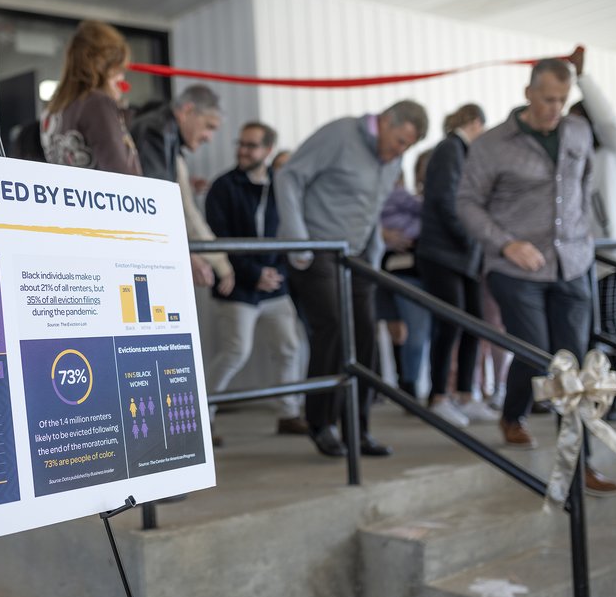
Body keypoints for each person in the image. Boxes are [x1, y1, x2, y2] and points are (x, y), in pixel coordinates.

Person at [457, 57, 616, 496]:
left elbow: (583, 188)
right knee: (538, 353)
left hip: (573, 264)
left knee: (574, 365)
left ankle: (579, 465)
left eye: (562, 100)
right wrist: (506, 243)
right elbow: (467, 203)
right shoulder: (492, 144)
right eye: (548, 99)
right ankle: (514, 415)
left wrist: (583, 238)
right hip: (515, 268)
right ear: (528, 93)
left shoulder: (579, 131)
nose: (555, 108)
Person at [276, 100, 429, 457]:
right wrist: (297, 239)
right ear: (386, 121)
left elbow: (373, 210)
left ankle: (357, 430)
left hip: (357, 255)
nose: (401, 151)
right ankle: (322, 423)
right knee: (332, 326)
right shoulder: (341, 135)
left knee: (364, 335)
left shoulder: (392, 160)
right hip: (316, 247)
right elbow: (288, 177)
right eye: (400, 141)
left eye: (408, 146)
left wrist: (373, 253)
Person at [204, 122, 306, 437]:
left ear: (268, 150)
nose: (243, 151)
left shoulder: (281, 185)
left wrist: (277, 273)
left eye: (251, 146)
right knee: (235, 352)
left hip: (275, 285)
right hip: (238, 286)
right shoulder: (223, 186)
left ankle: (289, 414)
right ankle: (202, 417)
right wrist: (254, 274)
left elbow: (292, 231)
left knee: (289, 347)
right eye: (241, 144)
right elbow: (218, 238)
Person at [566, 45, 616, 422]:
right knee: (585, 331)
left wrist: (582, 78)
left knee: (608, 327)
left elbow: (609, 121)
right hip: (578, 260)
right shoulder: (571, 161)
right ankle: (592, 395)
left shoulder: (611, 151)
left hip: (610, 259)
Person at [417, 103, 497, 427]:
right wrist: (471, 236)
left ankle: (466, 394)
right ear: (475, 122)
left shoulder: (464, 153)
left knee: (474, 322)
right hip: (443, 253)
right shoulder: (450, 148)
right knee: (449, 324)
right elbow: (445, 199)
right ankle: (438, 396)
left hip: (465, 256)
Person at [131, 84, 234, 294]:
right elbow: (154, 206)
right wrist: (186, 253)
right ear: (187, 111)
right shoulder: (155, 132)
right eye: (209, 126)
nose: (209, 137)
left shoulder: (163, 133)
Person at [40, 20, 140, 175]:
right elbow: (123, 174)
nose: (122, 77)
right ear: (102, 66)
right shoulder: (97, 103)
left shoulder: (51, 111)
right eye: (118, 68)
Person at [378, 151, 433, 401]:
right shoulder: (400, 197)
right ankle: (408, 385)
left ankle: (406, 383)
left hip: (404, 270)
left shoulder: (395, 205)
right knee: (412, 332)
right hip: (402, 272)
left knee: (406, 332)